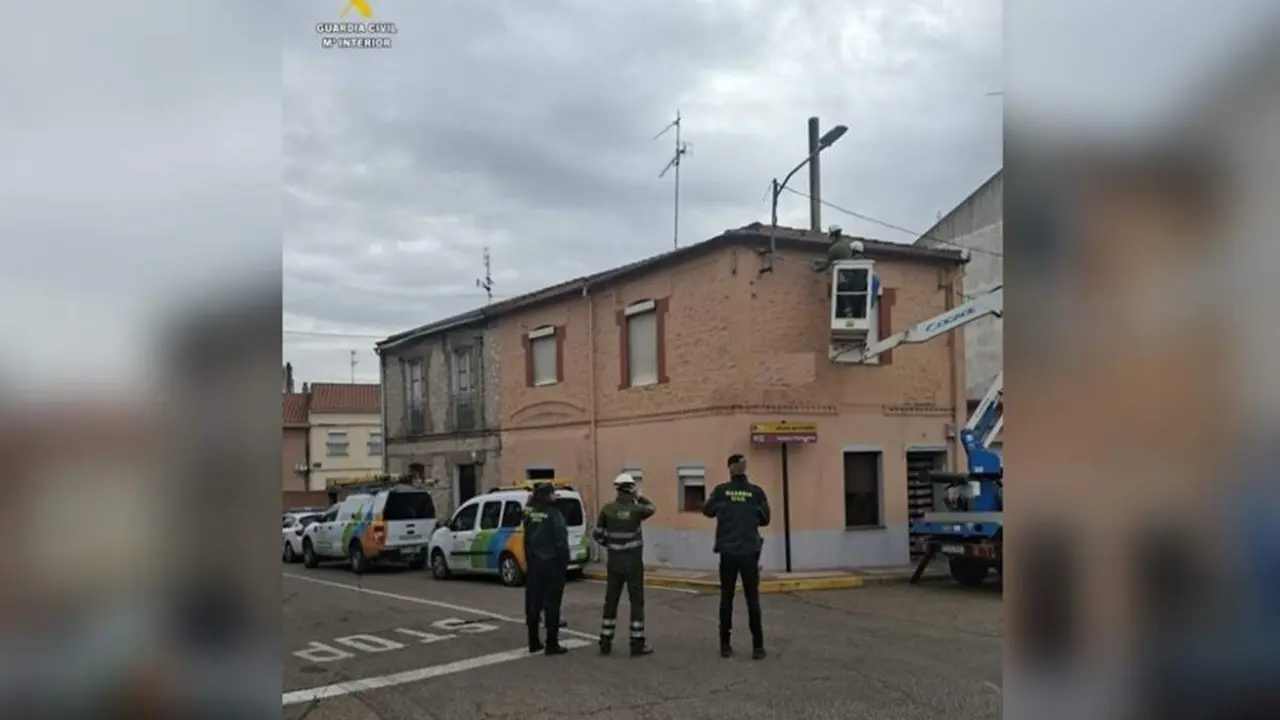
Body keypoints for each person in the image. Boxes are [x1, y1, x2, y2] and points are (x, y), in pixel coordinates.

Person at [702, 453, 771, 659]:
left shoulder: (721, 491)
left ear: (730, 468)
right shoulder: (756, 492)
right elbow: (765, 519)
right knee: (752, 599)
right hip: (749, 551)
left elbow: (707, 511)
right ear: (741, 467)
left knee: (727, 597)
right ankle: (757, 647)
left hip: (728, 551)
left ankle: (725, 645)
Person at [592, 473, 656, 656]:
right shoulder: (637, 510)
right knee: (636, 602)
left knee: (611, 601)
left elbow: (597, 534)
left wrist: (610, 544)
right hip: (633, 563)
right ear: (631, 488)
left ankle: (605, 641)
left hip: (614, 563)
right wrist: (639, 496)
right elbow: (652, 508)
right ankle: (636, 644)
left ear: (617, 489)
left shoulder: (607, 509)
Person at [522, 482, 570, 655]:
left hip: (534, 564)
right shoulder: (554, 513)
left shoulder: (530, 512)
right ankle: (551, 643)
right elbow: (561, 540)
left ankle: (533, 641)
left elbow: (525, 536)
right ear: (548, 495)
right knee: (552, 604)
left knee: (533, 603)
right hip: (552, 565)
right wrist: (564, 562)